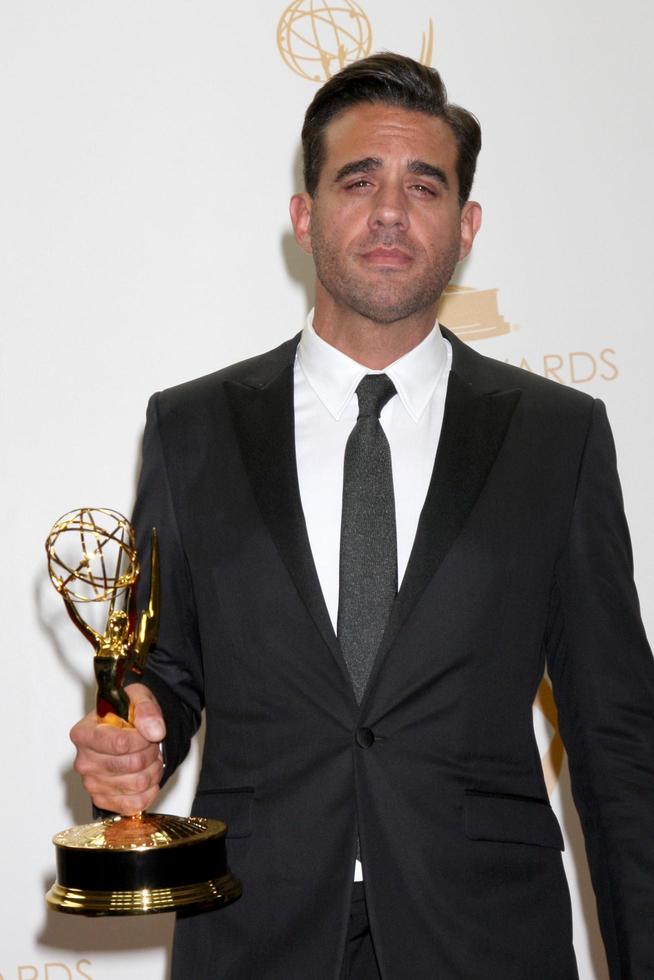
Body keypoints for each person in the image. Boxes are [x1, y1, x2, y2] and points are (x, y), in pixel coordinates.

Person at [70, 53, 654, 979]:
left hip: (487, 937)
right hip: (255, 929)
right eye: (358, 180)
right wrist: (137, 733)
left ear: (465, 229)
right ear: (305, 216)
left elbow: (618, 738)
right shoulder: (191, 427)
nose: (390, 210)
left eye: (424, 186)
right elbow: (165, 666)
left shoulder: (559, 436)